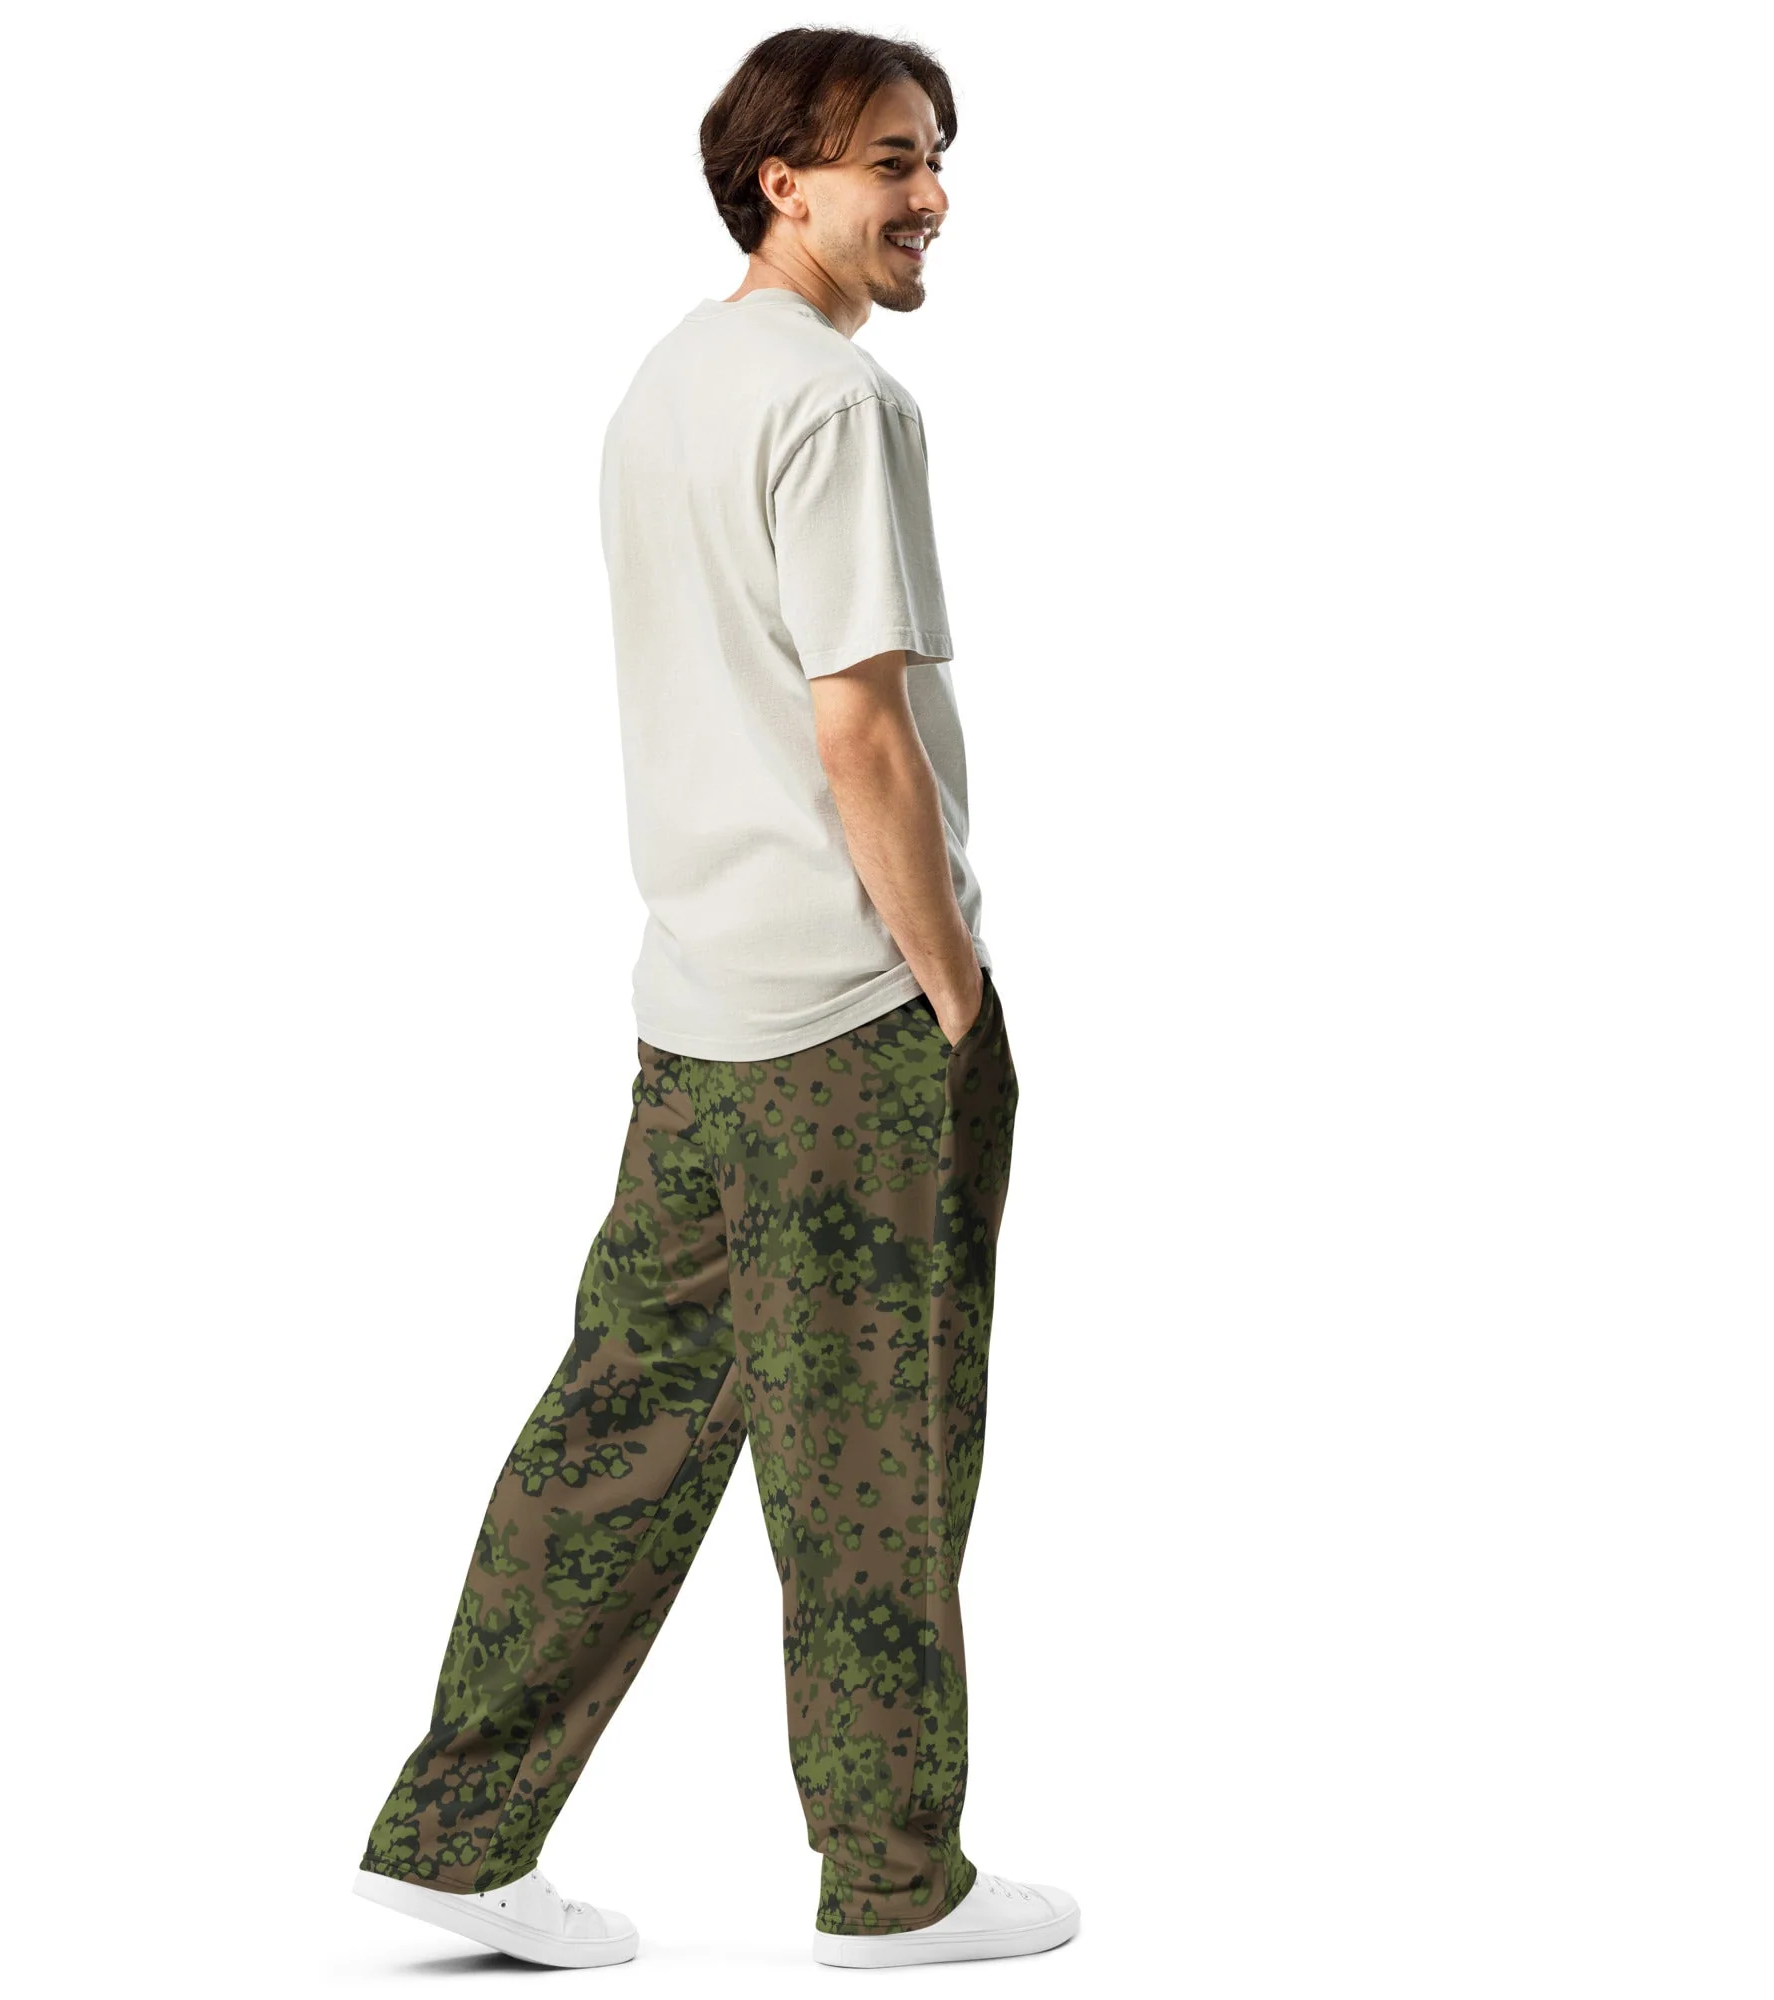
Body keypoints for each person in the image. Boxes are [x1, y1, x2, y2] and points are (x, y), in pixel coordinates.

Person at [351, 26, 1077, 1971]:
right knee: (874, 1451)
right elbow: (859, 732)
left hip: (697, 1007)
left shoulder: (669, 381)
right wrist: (949, 989)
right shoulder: (839, 404)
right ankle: (895, 1884)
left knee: (620, 1426)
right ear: (783, 179)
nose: (930, 197)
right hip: (846, 1016)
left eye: (937, 158)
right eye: (891, 161)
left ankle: (455, 1836)